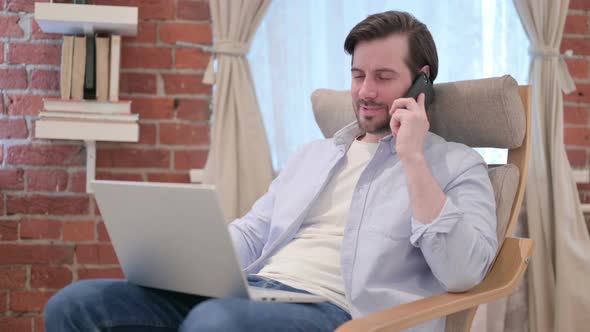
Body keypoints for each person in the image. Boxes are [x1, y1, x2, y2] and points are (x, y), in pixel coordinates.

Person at [44, 11, 497, 332]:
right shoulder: (315, 155)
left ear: (421, 80)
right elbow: (256, 233)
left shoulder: (456, 166)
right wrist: (192, 261)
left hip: (345, 313)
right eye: (358, 75)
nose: (364, 91)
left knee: (215, 323)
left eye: (383, 76)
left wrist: (413, 157)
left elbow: (462, 272)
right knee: (77, 304)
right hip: (259, 291)